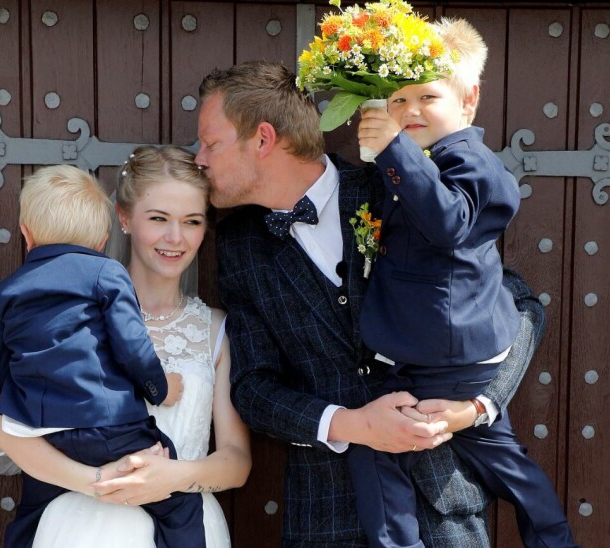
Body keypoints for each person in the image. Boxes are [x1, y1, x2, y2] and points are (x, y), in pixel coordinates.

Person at [197, 60, 545, 546]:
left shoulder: (394, 186)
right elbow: (254, 389)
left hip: (440, 505)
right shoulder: (239, 245)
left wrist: (477, 406)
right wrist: (352, 424)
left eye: (210, 143)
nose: (199, 159)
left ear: (263, 139)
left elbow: (519, 304)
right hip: (325, 521)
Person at [351, 18, 575, 548]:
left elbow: (448, 222)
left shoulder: (472, 163)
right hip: (435, 354)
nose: (410, 110)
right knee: (506, 464)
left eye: (427, 97)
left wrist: (394, 151)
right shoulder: (414, 161)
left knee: (377, 447)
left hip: (449, 357)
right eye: (397, 99)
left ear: (468, 99)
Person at [0, 146, 250, 548]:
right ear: (123, 218)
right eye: (158, 218)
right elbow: (6, 433)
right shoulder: (70, 313)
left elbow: (236, 462)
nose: (175, 237)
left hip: (186, 517)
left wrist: (170, 478)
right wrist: (98, 481)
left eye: (192, 221)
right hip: (80, 524)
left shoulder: (216, 329)